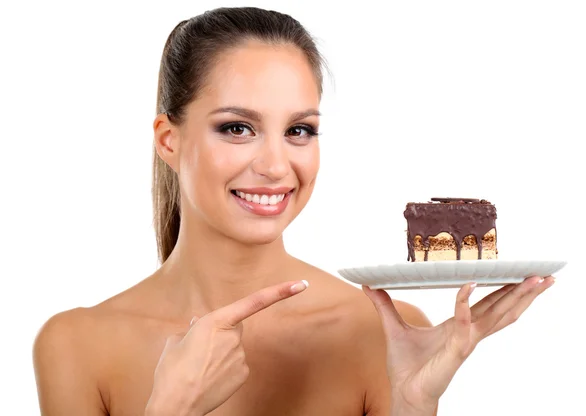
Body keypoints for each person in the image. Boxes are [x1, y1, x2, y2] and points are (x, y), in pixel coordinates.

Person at [32, 7, 554, 416]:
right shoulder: (76, 346)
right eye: (237, 127)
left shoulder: (385, 334)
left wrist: (414, 407)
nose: (277, 166)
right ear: (169, 140)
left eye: (299, 130)